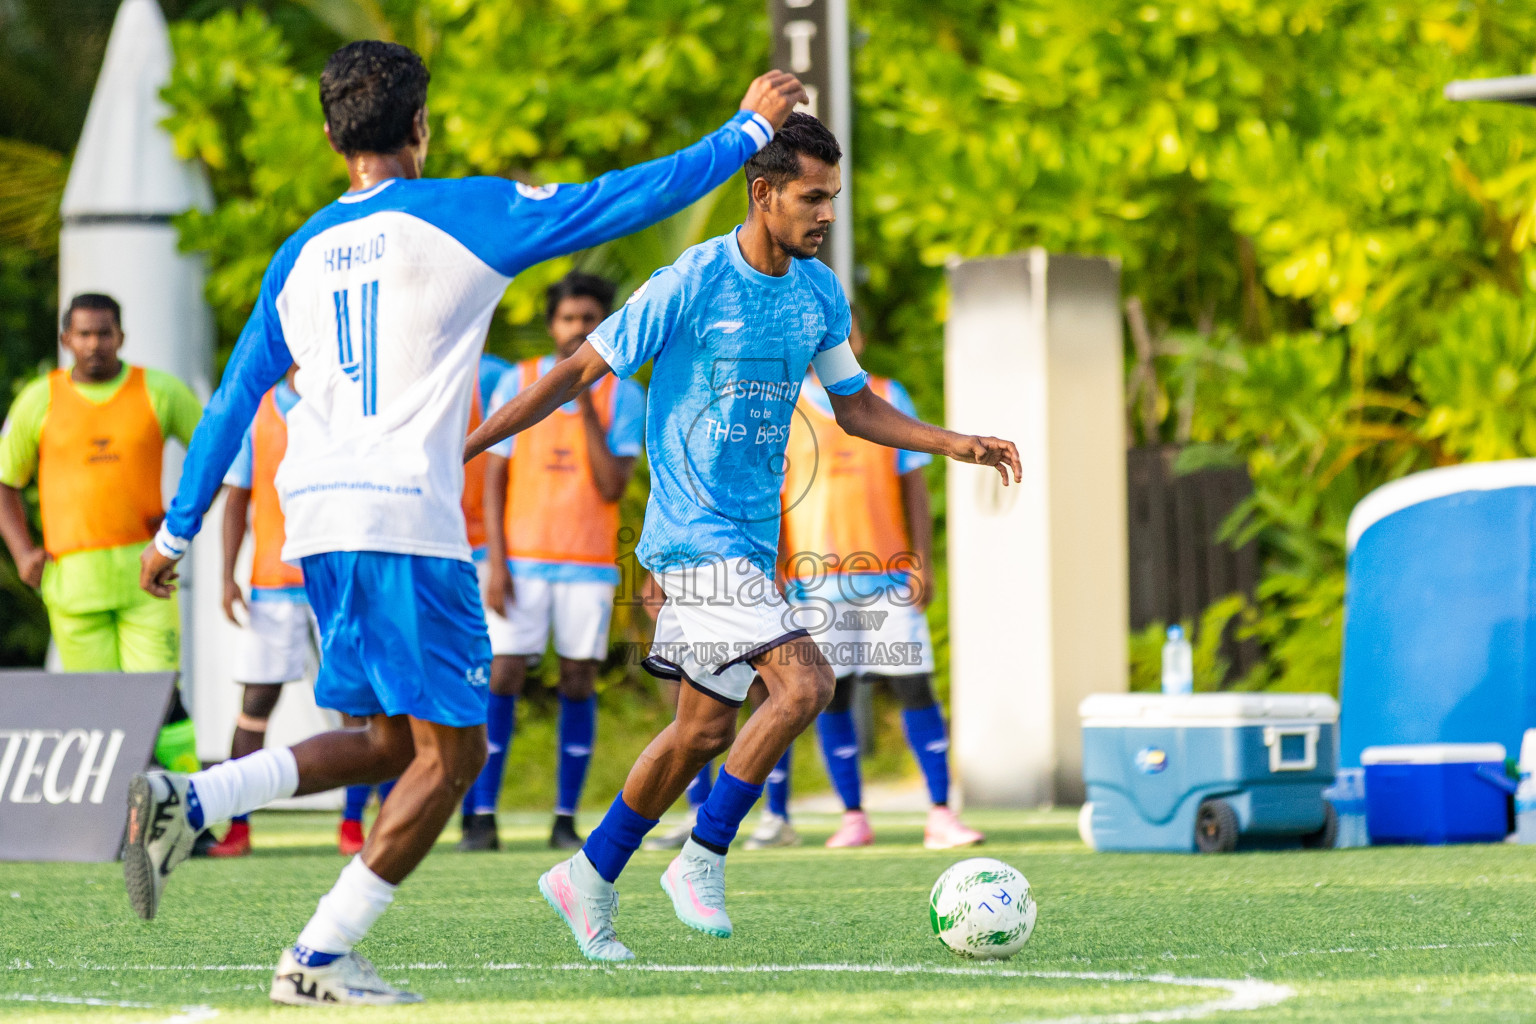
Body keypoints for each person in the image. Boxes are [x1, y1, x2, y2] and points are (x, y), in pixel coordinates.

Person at [121, 39, 807, 1007]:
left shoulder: (298, 251)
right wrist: (746, 131)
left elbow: (237, 396)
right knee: (457, 756)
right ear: (418, 128)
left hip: (312, 521)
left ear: (329, 136)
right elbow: (621, 196)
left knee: (391, 743)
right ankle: (317, 958)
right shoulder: (458, 214)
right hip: (404, 516)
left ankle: (195, 799)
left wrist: (176, 533)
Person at [464, 111, 1021, 962]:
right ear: (762, 194)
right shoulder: (688, 282)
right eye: (811, 197)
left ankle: (588, 874)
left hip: (748, 547)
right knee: (805, 686)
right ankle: (703, 854)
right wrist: (466, 445)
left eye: (833, 197)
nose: (825, 214)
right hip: (695, 542)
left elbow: (858, 407)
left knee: (699, 733)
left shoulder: (817, 293)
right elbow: (580, 370)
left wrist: (957, 442)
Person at [776, 316, 983, 850]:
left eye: (841, 334)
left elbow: (911, 482)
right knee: (833, 694)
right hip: (814, 580)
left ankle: (940, 811)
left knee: (914, 684)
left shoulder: (888, 396)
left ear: (858, 340)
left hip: (888, 574)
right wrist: (775, 568)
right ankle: (852, 816)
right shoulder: (784, 406)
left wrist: (921, 560)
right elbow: (773, 498)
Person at [459, 272, 644, 852]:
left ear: (605, 324)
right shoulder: (518, 380)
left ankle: (564, 818)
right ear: (552, 325)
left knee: (578, 682)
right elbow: (496, 475)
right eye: (569, 319)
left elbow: (613, 485)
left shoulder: (625, 393)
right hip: (521, 562)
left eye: (590, 319)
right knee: (503, 676)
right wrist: (497, 561)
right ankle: (481, 816)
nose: (578, 329)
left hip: (588, 566)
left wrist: (585, 400)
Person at [0, 293, 204, 779]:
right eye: (85, 334)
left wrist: (180, 522)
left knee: (161, 694)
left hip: (147, 573)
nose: (95, 344)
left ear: (122, 337)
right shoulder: (39, 398)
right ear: (67, 339)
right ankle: (113, 817)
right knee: (97, 705)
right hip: (73, 579)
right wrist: (23, 550)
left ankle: (193, 808)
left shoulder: (159, 391)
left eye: (104, 333)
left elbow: (213, 457)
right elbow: (6, 479)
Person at [208, 367, 389, 859]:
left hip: (338, 579)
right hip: (274, 582)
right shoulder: (261, 410)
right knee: (257, 700)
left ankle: (353, 824)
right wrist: (228, 574)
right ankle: (238, 827)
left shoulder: (353, 402)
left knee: (356, 701)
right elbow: (237, 499)